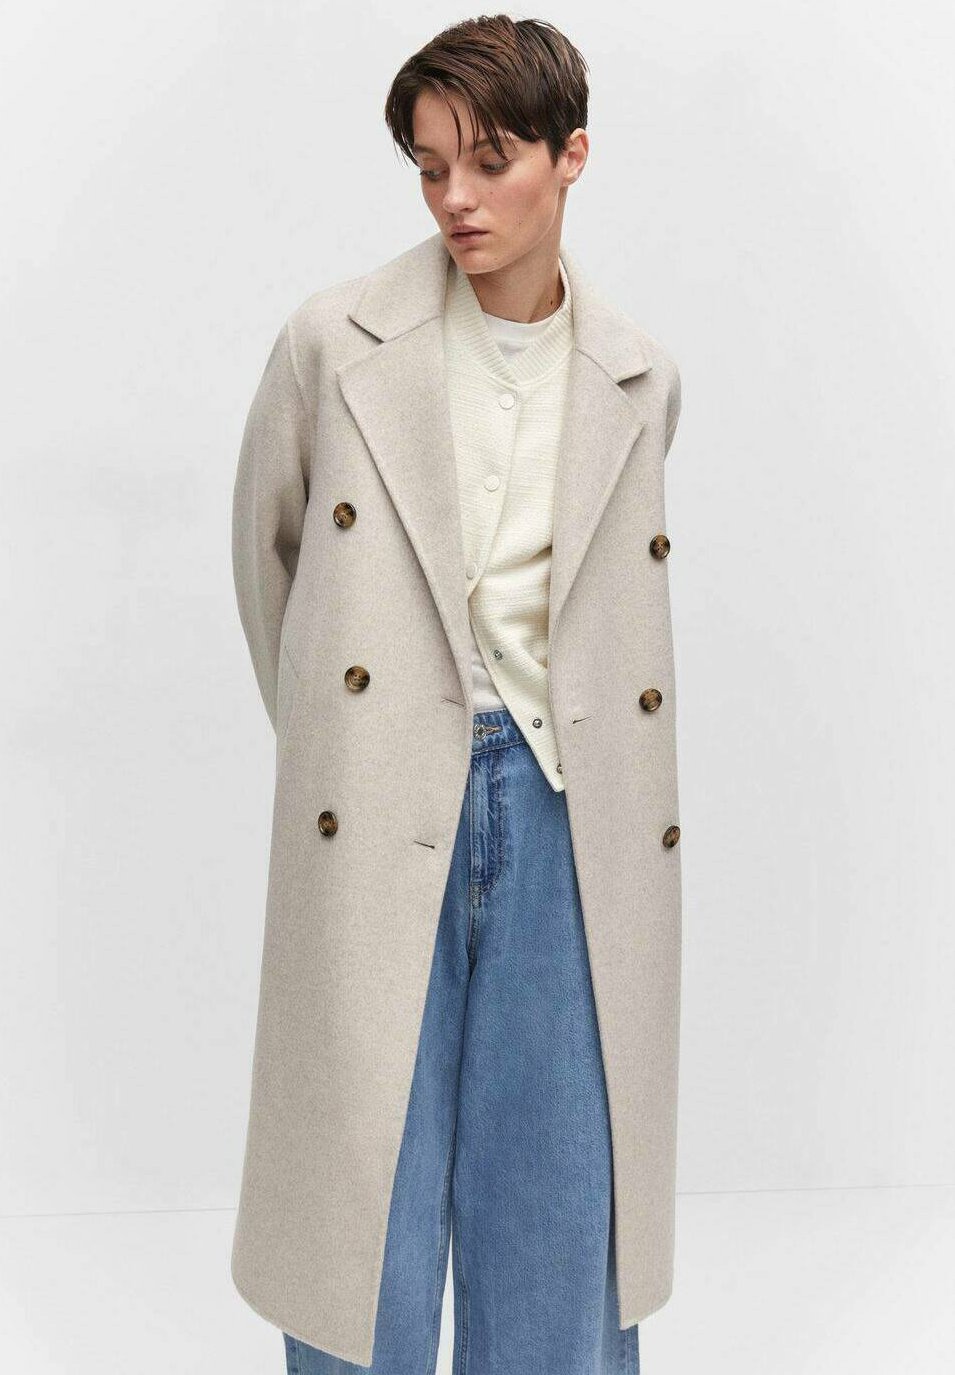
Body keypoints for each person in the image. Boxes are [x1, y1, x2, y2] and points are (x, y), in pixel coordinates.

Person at [231, 15, 684, 1374]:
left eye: (490, 163)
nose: (457, 200)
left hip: (567, 812)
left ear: (571, 156)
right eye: (432, 168)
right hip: (381, 801)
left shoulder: (638, 376)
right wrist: (346, 748)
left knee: (555, 1208)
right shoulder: (334, 344)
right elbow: (271, 563)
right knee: (361, 1203)